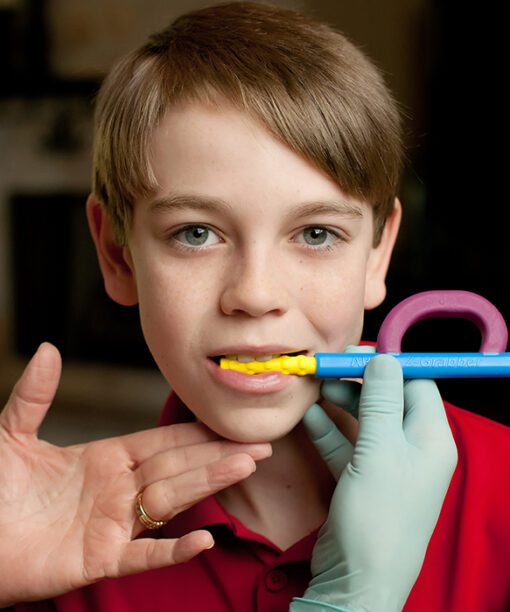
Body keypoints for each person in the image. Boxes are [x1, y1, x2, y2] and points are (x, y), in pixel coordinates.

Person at [1, 2, 508, 610]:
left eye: (316, 233)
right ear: (117, 254)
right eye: (196, 233)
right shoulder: (56, 556)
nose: (256, 294)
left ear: (378, 255)